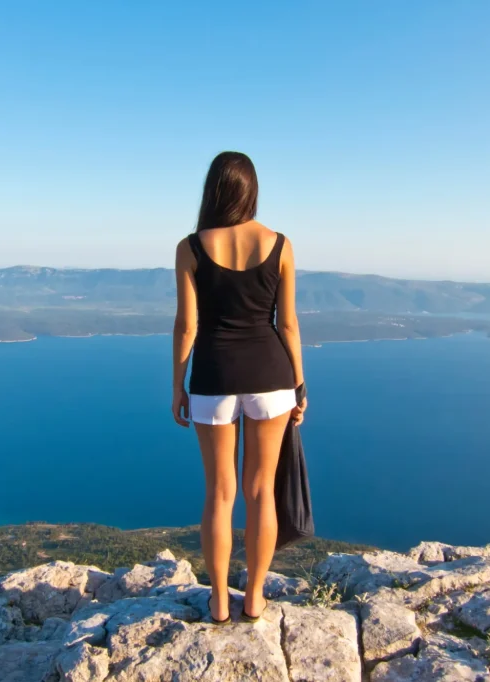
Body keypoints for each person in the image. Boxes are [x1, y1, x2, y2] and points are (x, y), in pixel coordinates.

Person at [171, 151, 307, 623]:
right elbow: (288, 324)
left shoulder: (190, 247)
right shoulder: (280, 244)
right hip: (271, 377)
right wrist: (300, 385)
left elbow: (187, 326)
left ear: (213, 189)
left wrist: (178, 386)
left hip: (212, 376)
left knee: (219, 493)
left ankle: (218, 602)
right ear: (251, 191)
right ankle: (254, 597)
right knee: (261, 491)